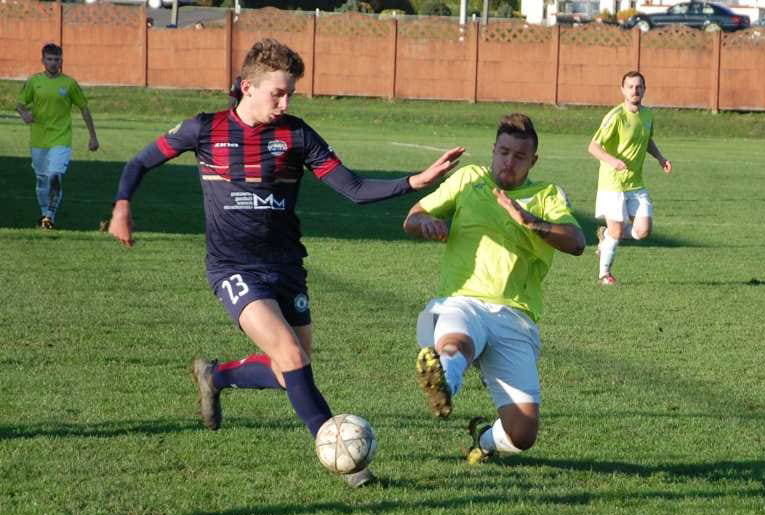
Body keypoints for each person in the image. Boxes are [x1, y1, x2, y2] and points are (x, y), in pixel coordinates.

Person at [107, 39, 463, 487]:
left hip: (287, 266)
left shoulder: (296, 135)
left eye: (290, 94)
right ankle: (347, 462)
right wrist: (122, 205)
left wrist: (416, 180)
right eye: (278, 93)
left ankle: (216, 376)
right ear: (247, 87)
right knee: (291, 356)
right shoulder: (204, 129)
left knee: (288, 370)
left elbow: (352, 189)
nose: (285, 103)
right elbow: (140, 162)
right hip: (233, 267)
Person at [403, 113, 585, 464]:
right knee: (458, 342)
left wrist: (531, 222)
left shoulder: (546, 195)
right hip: (462, 300)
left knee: (522, 434)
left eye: (519, 157)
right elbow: (413, 217)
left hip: (515, 316)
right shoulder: (470, 178)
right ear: (493, 150)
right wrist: (426, 223)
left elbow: (576, 242)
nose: (508, 162)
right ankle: (443, 379)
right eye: (503, 152)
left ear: (533, 161)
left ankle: (484, 440)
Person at [588, 70, 671, 286]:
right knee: (617, 231)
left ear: (644, 90)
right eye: (631, 87)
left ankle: (607, 236)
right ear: (623, 90)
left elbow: (647, 140)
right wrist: (613, 161)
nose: (635, 90)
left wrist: (660, 158)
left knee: (643, 231)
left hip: (635, 182)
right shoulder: (615, 116)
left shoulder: (647, 115)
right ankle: (604, 274)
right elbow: (593, 147)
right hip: (612, 183)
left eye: (639, 87)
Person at [15, 43, 99, 230]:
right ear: (43, 60)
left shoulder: (69, 84)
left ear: (62, 61)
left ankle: (50, 216)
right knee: (41, 179)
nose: (53, 63)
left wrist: (93, 136)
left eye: (57, 59)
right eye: (50, 59)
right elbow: (20, 104)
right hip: (38, 140)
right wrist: (24, 113)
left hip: (61, 138)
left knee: (54, 176)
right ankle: (44, 213)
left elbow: (84, 109)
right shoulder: (33, 82)